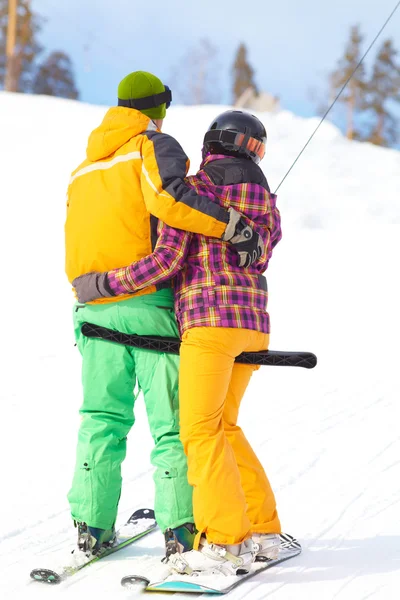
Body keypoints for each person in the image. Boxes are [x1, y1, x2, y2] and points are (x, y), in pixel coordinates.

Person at [73, 109, 283, 575]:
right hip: (254, 325)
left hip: (208, 324)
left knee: (199, 432)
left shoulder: (197, 190)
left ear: (212, 143)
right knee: (224, 427)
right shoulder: (266, 199)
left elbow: (165, 262)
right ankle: (266, 531)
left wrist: (104, 283)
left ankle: (225, 543)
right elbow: (263, 254)